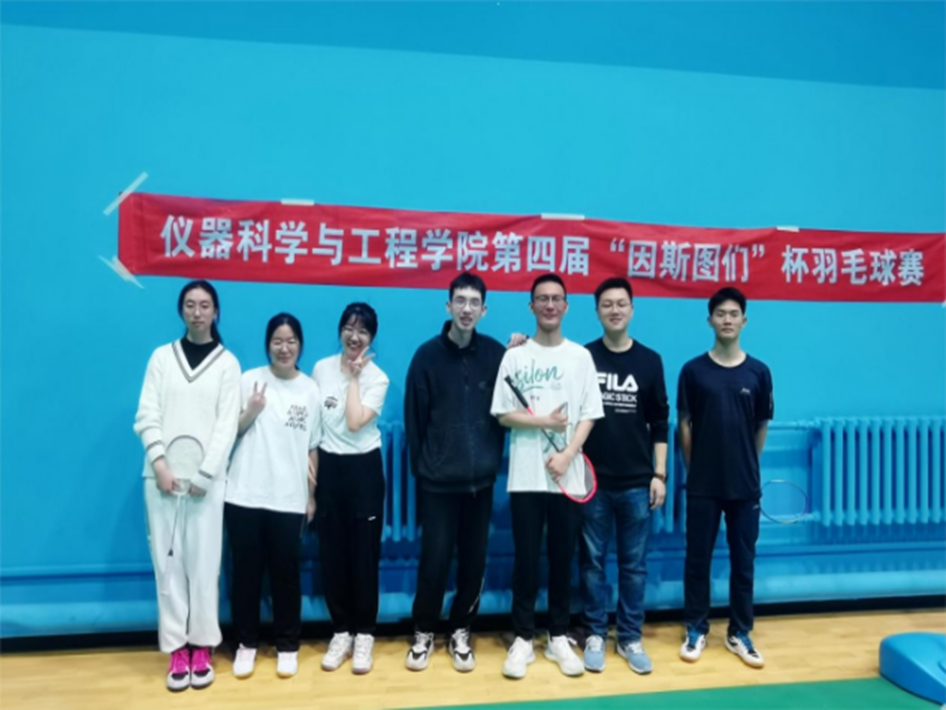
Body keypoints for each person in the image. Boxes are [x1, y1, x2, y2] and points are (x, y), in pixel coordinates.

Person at [490, 273, 604, 679]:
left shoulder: (581, 357)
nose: (550, 305)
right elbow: (503, 413)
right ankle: (523, 638)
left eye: (557, 298)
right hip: (525, 477)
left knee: (561, 559)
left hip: (567, 477)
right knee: (525, 560)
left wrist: (568, 454)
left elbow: (590, 414)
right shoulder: (515, 357)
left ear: (566, 306)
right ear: (532, 306)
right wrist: (544, 422)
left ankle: (557, 636)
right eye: (542, 298)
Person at [133, 280, 241, 692]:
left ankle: (202, 645)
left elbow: (226, 425)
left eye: (205, 305)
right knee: (168, 568)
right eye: (191, 305)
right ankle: (177, 648)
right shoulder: (162, 358)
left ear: (216, 312)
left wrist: (205, 474)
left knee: (204, 567)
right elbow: (147, 415)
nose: (198, 312)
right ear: (182, 311)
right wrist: (160, 464)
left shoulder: (227, 364)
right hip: (161, 482)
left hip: (206, 486)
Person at [404, 272, 506, 673]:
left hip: (481, 482)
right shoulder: (426, 357)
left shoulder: (496, 354)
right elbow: (415, 421)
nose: (467, 309)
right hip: (438, 483)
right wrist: (426, 468)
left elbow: (510, 407)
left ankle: (461, 629)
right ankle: (423, 631)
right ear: (448, 306)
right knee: (434, 560)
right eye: (460, 301)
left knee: (474, 561)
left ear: (485, 310)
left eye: (474, 303)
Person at [678, 286, 774, 669]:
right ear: (710, 321)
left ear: (744, 321)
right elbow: (684, 425)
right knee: (697, 559)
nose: (727, 319)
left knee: (743, 561)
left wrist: (747, 463)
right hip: (702, 484)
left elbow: (761, 426)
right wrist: (694, 468)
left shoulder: (759, 372)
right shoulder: (693, 371)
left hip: (744, 486)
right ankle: (695, 628)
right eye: (721, 314)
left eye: (734, 314)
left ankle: (739, 633)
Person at [579, 277, 669, 674]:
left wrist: (659, 474)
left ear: (632, 309)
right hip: (593, 483)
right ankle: (595, 632)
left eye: (621, 304)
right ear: (597, 311)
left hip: (636, 483)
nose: (614, 310)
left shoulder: (650, 361)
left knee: (634, 566)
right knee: (592, 563)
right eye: (607, 304)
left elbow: (660, 421)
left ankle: (630, 636)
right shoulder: (584, 357)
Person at [226, 313, 321, 680]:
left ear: (300, 345)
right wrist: (251, 412)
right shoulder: (249, 380)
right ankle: (246, 644)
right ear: (268, 344)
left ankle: (287, 645)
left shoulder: (310, 389)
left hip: (288, 497)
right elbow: (229, 432)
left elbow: (312, 447)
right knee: (246, 575)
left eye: (291, 341)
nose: (284, 348)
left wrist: (310, 496)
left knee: (286, 574)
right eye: (278, 341)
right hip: (244, 494)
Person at [312, 302, 390, 675]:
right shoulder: (321, 369)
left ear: (371, 337)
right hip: (329, 468)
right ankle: (341, 631)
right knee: (333, 555)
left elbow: (356, 421)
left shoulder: (378, 378)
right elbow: (315, 427)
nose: (354, 336)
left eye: (362, 331)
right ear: (340, 330)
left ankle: (364, 634)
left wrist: (356, 379)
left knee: (363, 557)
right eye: (349, 328)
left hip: (364, 470)